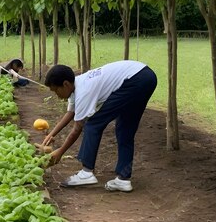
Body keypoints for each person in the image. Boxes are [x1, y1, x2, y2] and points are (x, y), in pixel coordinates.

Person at [41, 60, 157, 192]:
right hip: (146, 77)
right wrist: (52, 134)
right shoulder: (76, 84)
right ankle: (123, 180)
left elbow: (77, 128)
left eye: (56, 91)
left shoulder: (84, 91)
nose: (56, 95)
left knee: (93, 124)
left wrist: (60, 152)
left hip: (135, 78)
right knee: (125, 129)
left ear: (65, 84)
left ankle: (86, 172)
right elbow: (70, 113)